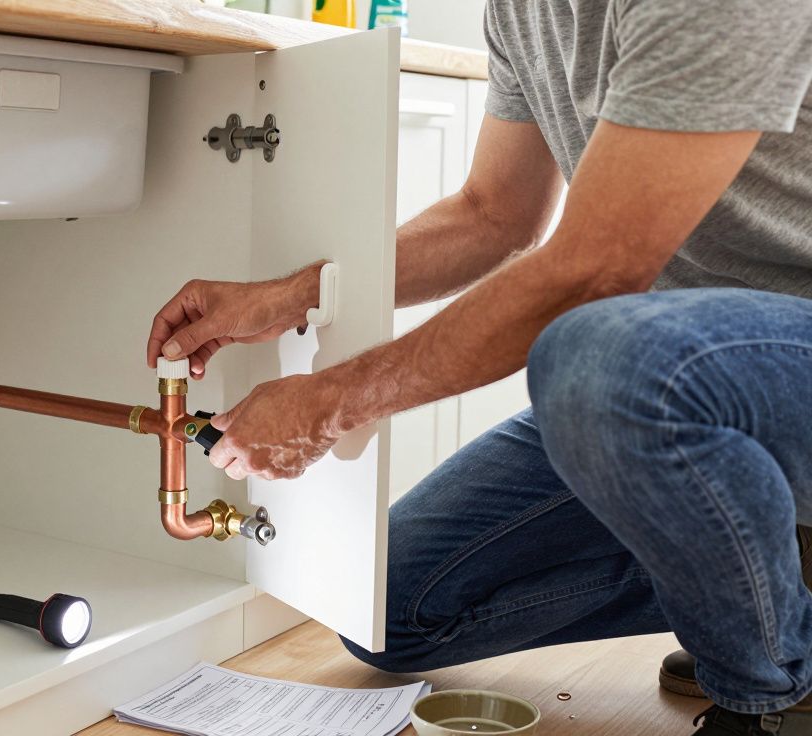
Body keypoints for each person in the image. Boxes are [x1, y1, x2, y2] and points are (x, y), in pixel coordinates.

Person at [144, 1, 812, 733]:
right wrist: (292, 295)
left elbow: (595, 270)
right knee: (390, 612)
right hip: (688, 373)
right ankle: (779, 594)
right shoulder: (523, 10)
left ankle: (770, 699)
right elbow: (492, 214)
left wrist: (331, 402)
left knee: (597, 356)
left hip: (748, 356)